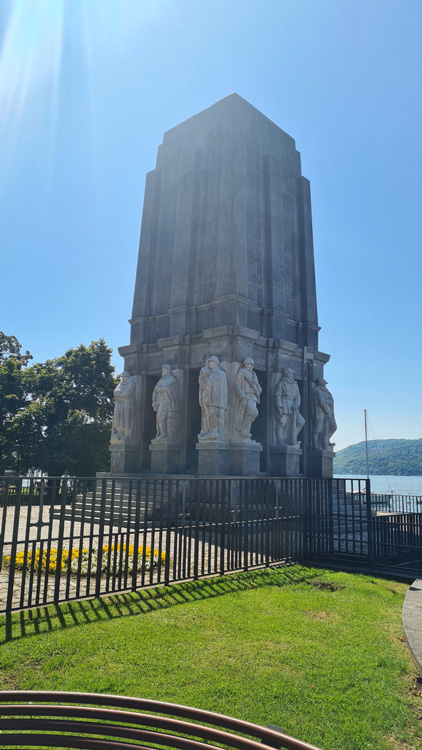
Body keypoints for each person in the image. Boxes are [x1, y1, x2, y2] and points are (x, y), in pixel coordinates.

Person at [198, 356, 228, 440]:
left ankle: (215, 430)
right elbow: (202, 386)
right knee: (207, 415)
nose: (210, 364)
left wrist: (222, 403)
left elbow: (223, 389)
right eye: (209, 362)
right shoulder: (208, 374)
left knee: (213, 413)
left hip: (216, 398)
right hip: (206, 397)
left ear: (216, 364)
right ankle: (210, 430)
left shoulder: (221, 373)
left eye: (212, 362)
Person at [275, 369, 305, 447]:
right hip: (284, 404)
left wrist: (296, 405)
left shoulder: (295, 384)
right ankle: (280, 441)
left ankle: (291, 438)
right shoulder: (281, 384)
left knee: (301, 421)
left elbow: (298, 396)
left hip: (293, 407)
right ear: (288, 374)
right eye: (291, 374)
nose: (292, 375)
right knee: (282, 423)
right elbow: (277, 395)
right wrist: (279, 407)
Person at [151, 365, 180, 443]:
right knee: (159, 417)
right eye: (162, 369)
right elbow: (155, 391)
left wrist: (162, 389)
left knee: (162, 417)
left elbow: (173, 391)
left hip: (167, 401)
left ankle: (165, 434)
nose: (163, 371)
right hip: (160, 401)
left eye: (164, 369)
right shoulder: (160, 380)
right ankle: (161, 433)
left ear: (168, 370)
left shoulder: (172, 380)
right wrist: (154, 400)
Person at [234, 358, 262, 439]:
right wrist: (242, 397)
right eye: (247, 364)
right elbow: (237, 386)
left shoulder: (254, 374)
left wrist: (258, 389)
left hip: (254, 396)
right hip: (246, 395)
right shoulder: (242, 372)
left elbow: (258, 387)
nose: (248, 366)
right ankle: (243, 430)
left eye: (249, 364)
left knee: (251, 415)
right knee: (254, 412)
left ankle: (246, 434)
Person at [111, 372, 137, 444]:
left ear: (127, 377)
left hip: (127, 402)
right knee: (117, 416)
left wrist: (120, 394)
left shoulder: (131, 384)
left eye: (124, 377)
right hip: (119, 403)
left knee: (126, 417)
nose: (122, 378)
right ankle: (119, 432)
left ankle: (126, 434)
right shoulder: (120, 384)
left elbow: (126, 393)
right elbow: (115, 392)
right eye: (122, 377)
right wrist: (119, 394)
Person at [313, 378, 337, 450]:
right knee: (318, 429)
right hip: (320, 412)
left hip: (328, 412)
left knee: (333, 427)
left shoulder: (327, 391)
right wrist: (327, 411)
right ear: (322, 384)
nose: (325, 385)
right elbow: (321, 401)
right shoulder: (318, 390)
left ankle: (326, 441)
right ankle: (315, 444)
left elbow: (332, 400)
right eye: (324, 384)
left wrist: (327, 402)